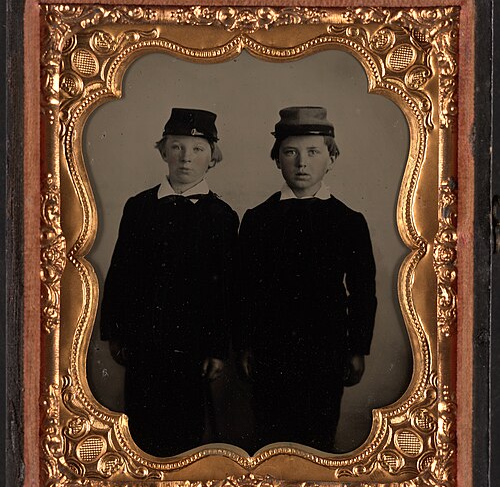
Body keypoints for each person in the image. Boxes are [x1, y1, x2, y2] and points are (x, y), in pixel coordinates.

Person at [100, 108, 239, 457]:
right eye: (177, 147)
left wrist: (217, 348)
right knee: (141, 430)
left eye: (197, 149)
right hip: (144, 341)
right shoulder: (139, 207)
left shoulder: (222, 216)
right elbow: (121, 272)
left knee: (186, 433)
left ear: (212, 157)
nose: (186, 158)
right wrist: (116, 331)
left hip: (192, 348)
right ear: (163, 151)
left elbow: (226, 289)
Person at [238, 106, 377, 452]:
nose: (302, 163)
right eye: (291, 152)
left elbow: (363, 291)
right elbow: (242, 289)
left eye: (313, 152)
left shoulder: (349, 221)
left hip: (326, 352)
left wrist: (358, 348)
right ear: (277, 159)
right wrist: (243, 344)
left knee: (319, 437)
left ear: (330, 158)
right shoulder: (257, 219)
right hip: (271, 351)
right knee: (270, 438)